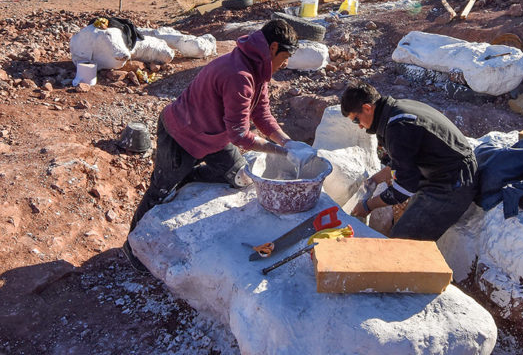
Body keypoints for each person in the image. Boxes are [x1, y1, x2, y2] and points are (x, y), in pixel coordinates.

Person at [127, 19, 311, 233]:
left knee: (240, 177)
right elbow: (240, 135)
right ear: (273, 48)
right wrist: (282, 152)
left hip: (214, 136)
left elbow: (261, 113)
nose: (286, 64)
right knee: (160, 191)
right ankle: (133, 246)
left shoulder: (258, 69)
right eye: (285, 57)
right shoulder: (239, 75)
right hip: (181, 135)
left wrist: (288, 143)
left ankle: (187, 177)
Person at [343, 81, 477, 241]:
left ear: (367, 108)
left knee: (403, 238)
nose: (359, 127)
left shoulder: (398, 127)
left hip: (454, 182)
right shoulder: (393, 112)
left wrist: (367, 206)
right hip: (441, 172)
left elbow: (405, 188)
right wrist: (375, 180)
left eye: (356, 120)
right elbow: (402, 160)